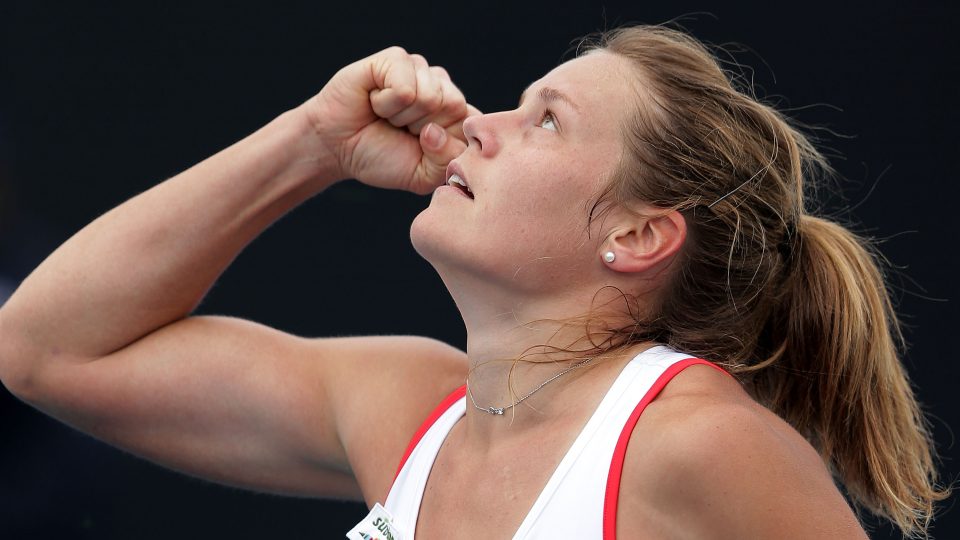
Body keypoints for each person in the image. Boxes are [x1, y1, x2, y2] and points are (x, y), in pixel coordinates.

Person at [0, 24, 947, 539]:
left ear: (637, 233)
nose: (478, 124)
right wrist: (312, 143)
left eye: (545, 120)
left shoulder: (700, 444)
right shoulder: (414, 407)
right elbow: (45, 349)